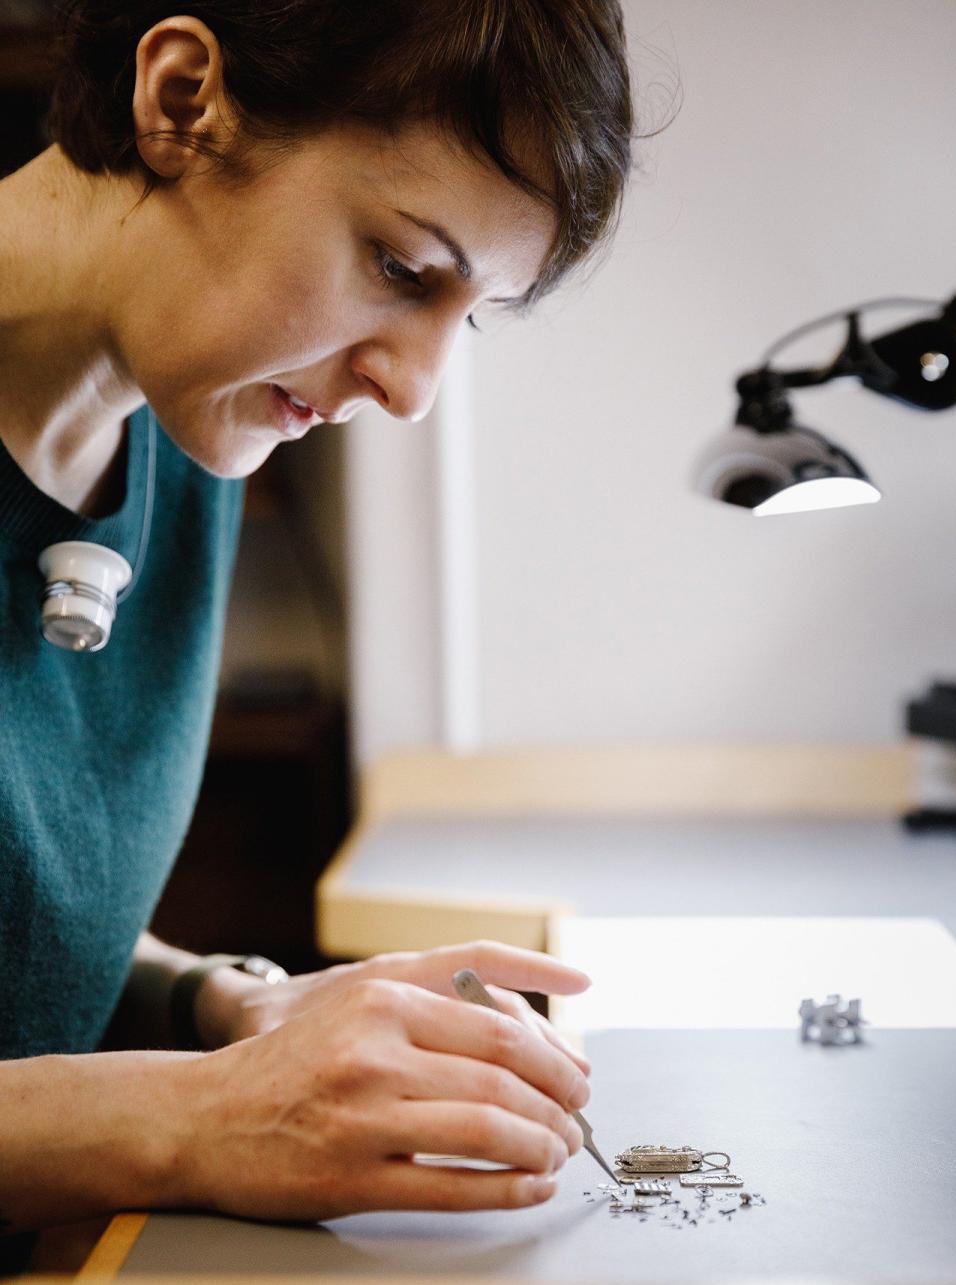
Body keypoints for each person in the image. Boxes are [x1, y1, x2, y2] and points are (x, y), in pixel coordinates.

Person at [0, 0, 633, 1239]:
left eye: (467, 315)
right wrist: (193, 1118)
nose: (410, 390)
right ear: (182, 100)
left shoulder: (190, 422)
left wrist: (227, 1008)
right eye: (401, 267)